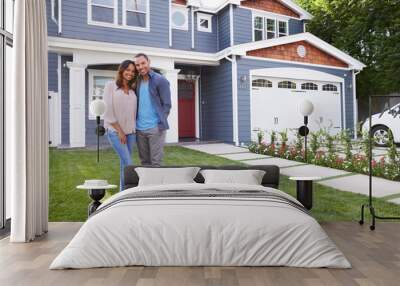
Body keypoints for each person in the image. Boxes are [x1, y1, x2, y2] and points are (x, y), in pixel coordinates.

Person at [103, 60, 138, 191]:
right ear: (122, 70)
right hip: (115, 132)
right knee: (129, 165)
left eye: (133, 71)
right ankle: (129, 193)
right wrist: (120, 131)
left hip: (131, 133)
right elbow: (108, 110)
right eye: (128, 70)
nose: (130, 73)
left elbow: (132, 112)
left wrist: (133, 130)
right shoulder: (110, 86)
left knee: (125, 164)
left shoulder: (133, 90)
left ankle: (122, 194)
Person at [134, 53, 171, 166]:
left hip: (155, 128)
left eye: (143, 63)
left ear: (148, 62)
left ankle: (157, 183)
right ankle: (147, 184)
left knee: (156, 162)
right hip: (139, 129)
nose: (140, 67)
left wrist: (159, 124)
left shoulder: (160, 80)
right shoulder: (137, 81)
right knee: (144, 162)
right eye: (137, 65)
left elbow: (167, 105)